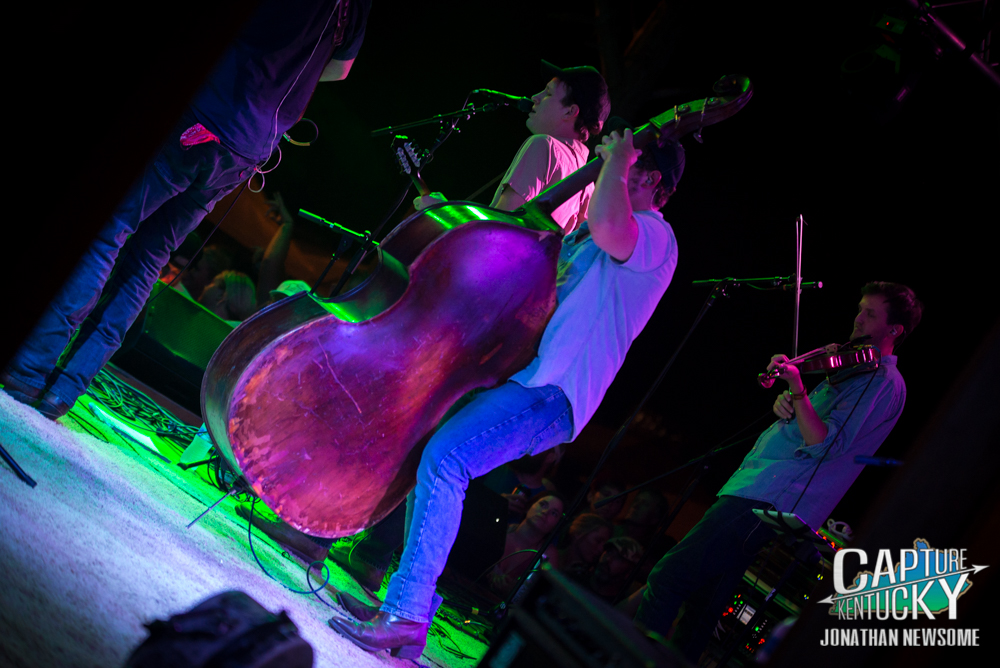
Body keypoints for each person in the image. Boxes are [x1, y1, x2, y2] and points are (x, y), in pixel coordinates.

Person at [327, 127, 685, 659]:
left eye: (627, 164)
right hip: (531, 379)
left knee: (447, 461)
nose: (611, 165)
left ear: (650, 178)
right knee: (437, 459)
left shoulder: (656, 237)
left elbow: (611, 224)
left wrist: (618, 156)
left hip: (554, 390)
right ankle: (402, 605)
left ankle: (406, 614)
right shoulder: (600, 238)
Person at [1, 0, 372, 419]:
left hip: (210, 110)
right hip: (248, 148)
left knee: (110, 229)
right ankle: (65, 389)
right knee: (148, 259)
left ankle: (30, 367)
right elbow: (338, 69)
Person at [633, 282, 923, 663]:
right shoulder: (853, 370)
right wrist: (788, 405)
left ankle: (628, 657)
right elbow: (807, 425)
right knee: (703, 607)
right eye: (859, 309)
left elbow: (824, 444)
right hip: (759, 487)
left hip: (769, 497)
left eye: (870, 314)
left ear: (895, 329)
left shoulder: (881, 381)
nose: (857, 319)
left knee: (668, 577)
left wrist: (799, 389)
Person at [416, 60, 610, 232]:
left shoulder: (543, 145)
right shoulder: (588, 184)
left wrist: (445, 213)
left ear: (570, 111)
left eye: (548, 93)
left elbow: (500, 230)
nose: (535, 97)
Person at [486, 493, 565, 595]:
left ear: (556, 525)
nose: (545, 512)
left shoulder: (547, 556)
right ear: (529, 507)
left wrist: (515, 592)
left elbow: (540, 595)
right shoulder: (500, 528)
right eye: (542, 505)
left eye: (554, 513)